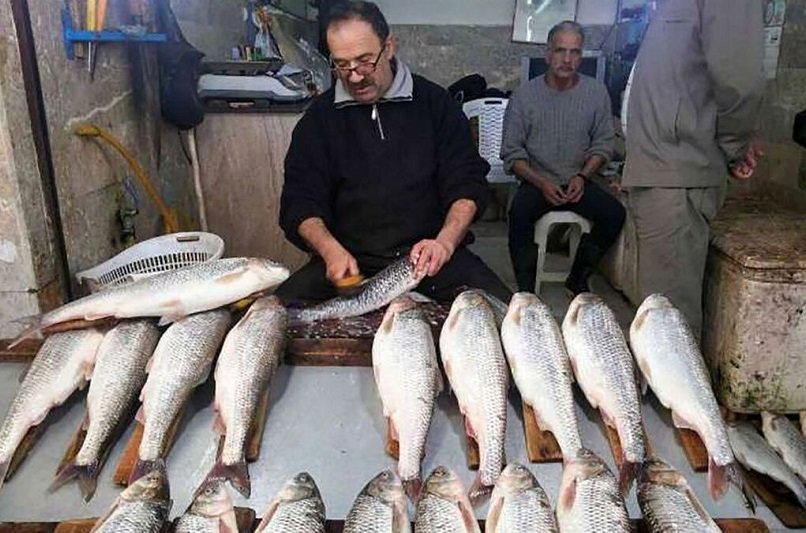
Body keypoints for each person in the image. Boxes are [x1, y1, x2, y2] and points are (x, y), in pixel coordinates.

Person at [276, 1, 511, 303]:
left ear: (388, 47)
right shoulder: (319, 119)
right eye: (342, 65)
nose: (355, 76)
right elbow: (299, 200)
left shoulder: (436, 105)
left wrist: (445, 243)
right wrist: (329, 250)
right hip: (349, 262)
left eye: (365, 61)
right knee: (275, 313)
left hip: (432, 257)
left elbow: (467, 182)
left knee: (507, 313)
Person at [622, 0, 764, 336]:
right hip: (658, 168)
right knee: (655, 317)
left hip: (676, 171)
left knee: (669, 326)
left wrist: (734, 147)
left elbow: (739, 80)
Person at [501, 21, 625, 295]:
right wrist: (541, 182)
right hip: (537, 181)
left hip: (578, 180)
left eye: (575, 52)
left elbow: (603, 144)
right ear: (548, 54)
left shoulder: (596, 93)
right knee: (518, 215)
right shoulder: (524, 96)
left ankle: (578, 279)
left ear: (581, 56)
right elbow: (512, 151)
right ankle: (526, 293)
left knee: (614, 214)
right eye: (560, 51)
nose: (567, 59)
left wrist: (583, 177)